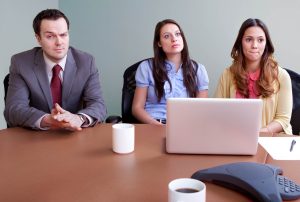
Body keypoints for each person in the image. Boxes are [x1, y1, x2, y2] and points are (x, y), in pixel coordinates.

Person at [4, 9, 107, 131]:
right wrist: (48, 119)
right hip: (35, 138)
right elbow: (14, 109)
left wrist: (78, 119)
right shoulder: (21, 63)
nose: (59, 42)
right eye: (50, 36)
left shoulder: (86, 62)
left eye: (63, 35)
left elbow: (98, 105)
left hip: (74, 135)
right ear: (38, 38)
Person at [214, 18, 293, 134]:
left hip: (270, 141)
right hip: (234, 139)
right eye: (249, 39)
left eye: (260, 40)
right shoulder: (227, 75)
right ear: (240, 42)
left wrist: (260, 133)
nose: (255, 45)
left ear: (266, 44)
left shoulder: (282, 76)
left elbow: (283, 119)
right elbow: (217, 113)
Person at [132, 19, 209, 125]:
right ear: (159, 43)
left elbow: (201, 110)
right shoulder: (146, 67)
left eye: (177, 34)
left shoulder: (198, 69)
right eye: (167, 36)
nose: (174, 39)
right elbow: (137, 108)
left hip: (185, 126)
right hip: (153, 125)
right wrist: (158, 126)